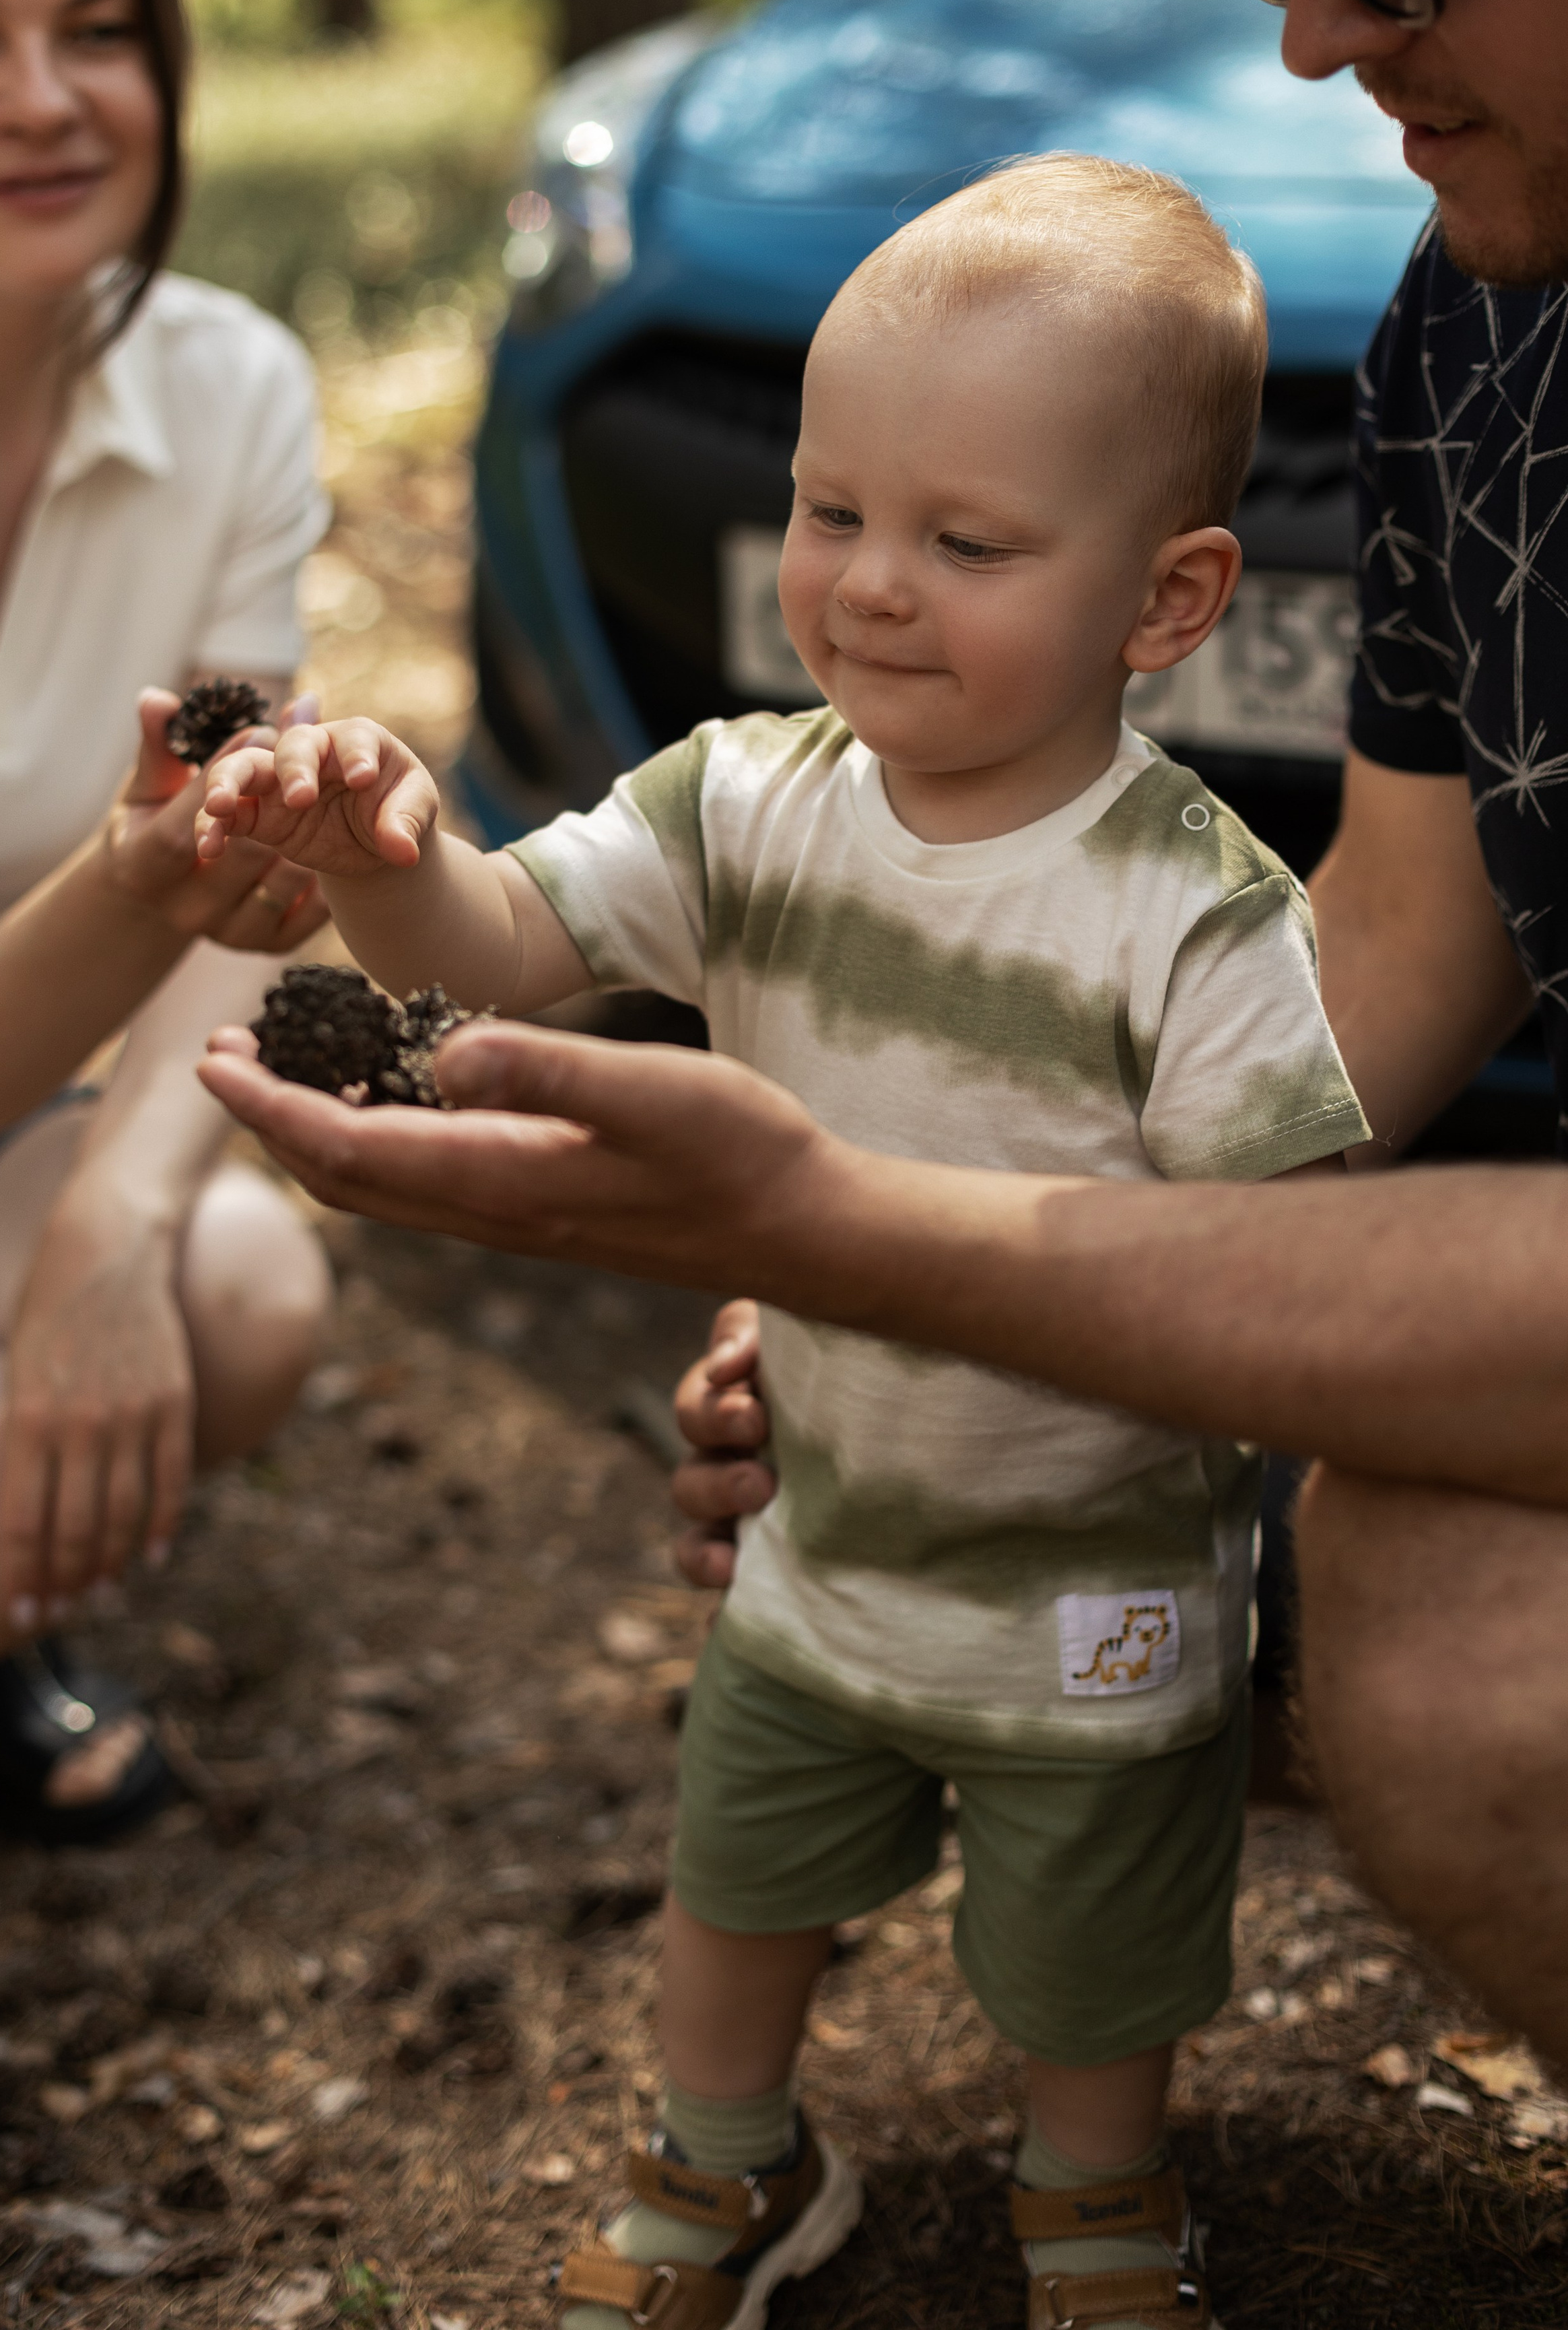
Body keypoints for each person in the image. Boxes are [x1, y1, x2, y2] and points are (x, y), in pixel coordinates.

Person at [203, 0, 1568, 2069]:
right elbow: (1394, 971)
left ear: (1173, 599)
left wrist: (883, 1245)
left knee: (1434, 1676)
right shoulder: (1481, 326)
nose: (1311, 38)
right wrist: (928, 1278)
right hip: (883, 1601)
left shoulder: (1161, 874)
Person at [201, 156, 1369, 2330]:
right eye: (834, 511)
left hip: (1093, 1585)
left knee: (1094, 1952)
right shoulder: (746, 800)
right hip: (819, 1543)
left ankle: (1097, 2204)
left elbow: (1273, 1269)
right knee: (735, 1883)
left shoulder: (1197, 917)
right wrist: (381, 850)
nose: (873, 588)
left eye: (969, 543)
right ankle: (732, 2163)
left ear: (1169, 598)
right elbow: (498, 942)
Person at [0, 0, 334, 1842]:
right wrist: (143, 890)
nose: (40, 100)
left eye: (100, 29)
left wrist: (121, 1215)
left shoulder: (232, 392)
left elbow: (242, 878)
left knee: (239, 1298)